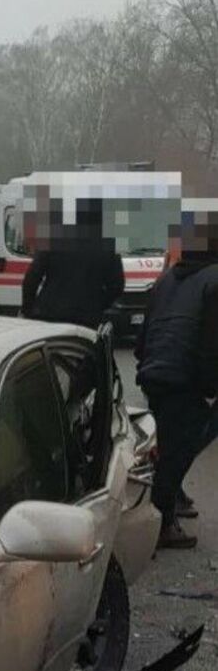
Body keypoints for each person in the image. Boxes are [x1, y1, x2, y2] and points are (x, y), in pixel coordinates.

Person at [134, 206, 218, 549]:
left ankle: (168, 497)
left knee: (170, 443)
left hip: (154, 370)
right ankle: (161, 520)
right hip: (184, 378)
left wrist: (146, 360)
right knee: (180, 446)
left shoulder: (167, 278)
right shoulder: (214, 281)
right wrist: (210, 388)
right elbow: (211, 341)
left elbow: (146, 329)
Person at [22, 198, 124, 328]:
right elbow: (117, 286)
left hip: (50, 314)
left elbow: (32, 277)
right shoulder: (108, 244)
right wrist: (98, 303)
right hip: (87, 318)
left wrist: (28, 309)